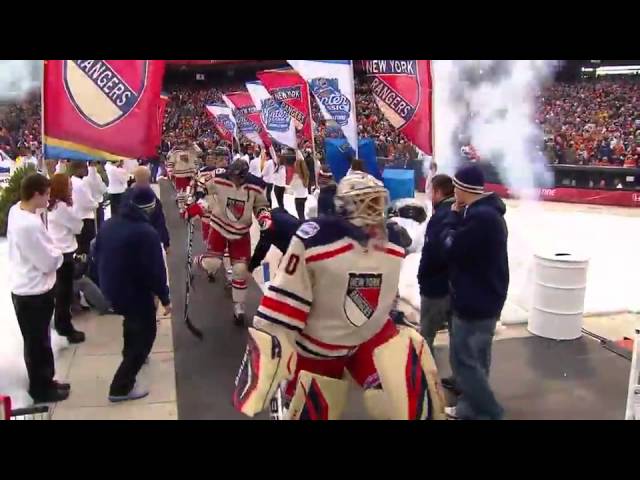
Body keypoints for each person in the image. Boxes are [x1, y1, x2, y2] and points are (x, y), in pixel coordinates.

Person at [232, 172, 445, 420]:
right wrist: (273, 351)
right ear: (346, 206)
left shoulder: (391, 243)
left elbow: (380, 298)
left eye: (377, 203)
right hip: (316, 347)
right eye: (367, 203)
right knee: (313, 412)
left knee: (399, 402)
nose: (375, 212)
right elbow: (283, 305)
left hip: (364, 338)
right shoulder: (316, 240)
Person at [440, 164, 509, 420]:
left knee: (465, 362)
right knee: (477, 361)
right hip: (485, 297)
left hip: (475, 301)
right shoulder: (486, 213)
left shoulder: (481, 218)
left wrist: (452, 218)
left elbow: (451, 248)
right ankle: (471, 411)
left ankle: (492, 411)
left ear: (461, 189)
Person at [94, 185, 172, 402]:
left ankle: (130, 354)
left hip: (111, 288)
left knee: (131, 324)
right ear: (149, 208)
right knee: (146, 334)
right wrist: (164, 297)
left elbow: (95, 252)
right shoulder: (146, 233)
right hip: (134, 292)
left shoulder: (109, 224)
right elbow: (155, 271)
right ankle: (121, 386)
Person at [8, 173, 70, 403]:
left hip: (29, 289)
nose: (49, 199)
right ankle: (41, 388)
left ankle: (47, 380)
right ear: (36, 194)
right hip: (33, 291)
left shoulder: (19, 211)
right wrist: (57, 256)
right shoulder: (29, 226)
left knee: (39, 341)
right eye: (47, 194)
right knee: (37, 344)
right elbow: (47, 261)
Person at [186, 159, 271, 325]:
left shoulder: (257, 186)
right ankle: (199, 262)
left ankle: (239, 306)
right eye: (232, 175)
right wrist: (197, 204)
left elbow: (261, 205)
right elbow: (203, 190)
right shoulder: (218, 178)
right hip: (219, 226)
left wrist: (263, 216)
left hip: (241, 232)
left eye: (237, 177)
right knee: (212, 264)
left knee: (240, 269)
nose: (234, 179)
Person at [417, 174, 455, 356]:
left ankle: (424, 377)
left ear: (438, 191)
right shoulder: (461, 212)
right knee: (457, 339)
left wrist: (423, 277)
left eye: (431, 191)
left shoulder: (440, 218)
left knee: (426, 336)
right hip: (455, 287)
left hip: (436, 287)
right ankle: (461, 379)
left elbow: (434, 253)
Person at [47, 173, 86, 343]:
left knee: (62, 292)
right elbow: (78, 226)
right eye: (69, 184)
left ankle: (63, 323)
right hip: (64, 253)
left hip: (58, 251)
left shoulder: (52, 206)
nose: (71, 187)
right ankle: (64, 326)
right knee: (64, 293)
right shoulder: (62, 208)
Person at [123, 166, 170, 254]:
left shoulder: (128, 196)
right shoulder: (153, 198)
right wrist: (165, 242)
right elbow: (160, 221)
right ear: (148, 178)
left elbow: (122, 217)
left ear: (135, 178)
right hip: (150, 239)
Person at [247, 207, 302, 274]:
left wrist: (250, 268)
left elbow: (261, 251)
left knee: (285, 271)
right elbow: (283, 210)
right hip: (302, 230)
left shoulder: (268, 231)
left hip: (295, 243)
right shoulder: (276, 211)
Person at [68, 161, 99, 256]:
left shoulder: (71, 181)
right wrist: (96, 203)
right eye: (84, 168)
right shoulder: (81, 184)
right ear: (78, 169)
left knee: (80, 245)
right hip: (86, 218)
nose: (86, 170)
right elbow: (88, 202)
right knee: (87, 247)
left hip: (76, 215)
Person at [84, 161, 108, 231]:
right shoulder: (96, 175)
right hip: (98, 203)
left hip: (88, 206)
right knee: (99, 226)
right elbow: (102, 188)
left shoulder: (84, 176)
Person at [291, 150, 310, 221]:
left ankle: (303, 225)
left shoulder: (296, 176)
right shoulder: (306, 174)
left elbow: (292, 187)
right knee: (302, 212)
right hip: (304, 196)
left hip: (298, 197)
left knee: (300, 214)